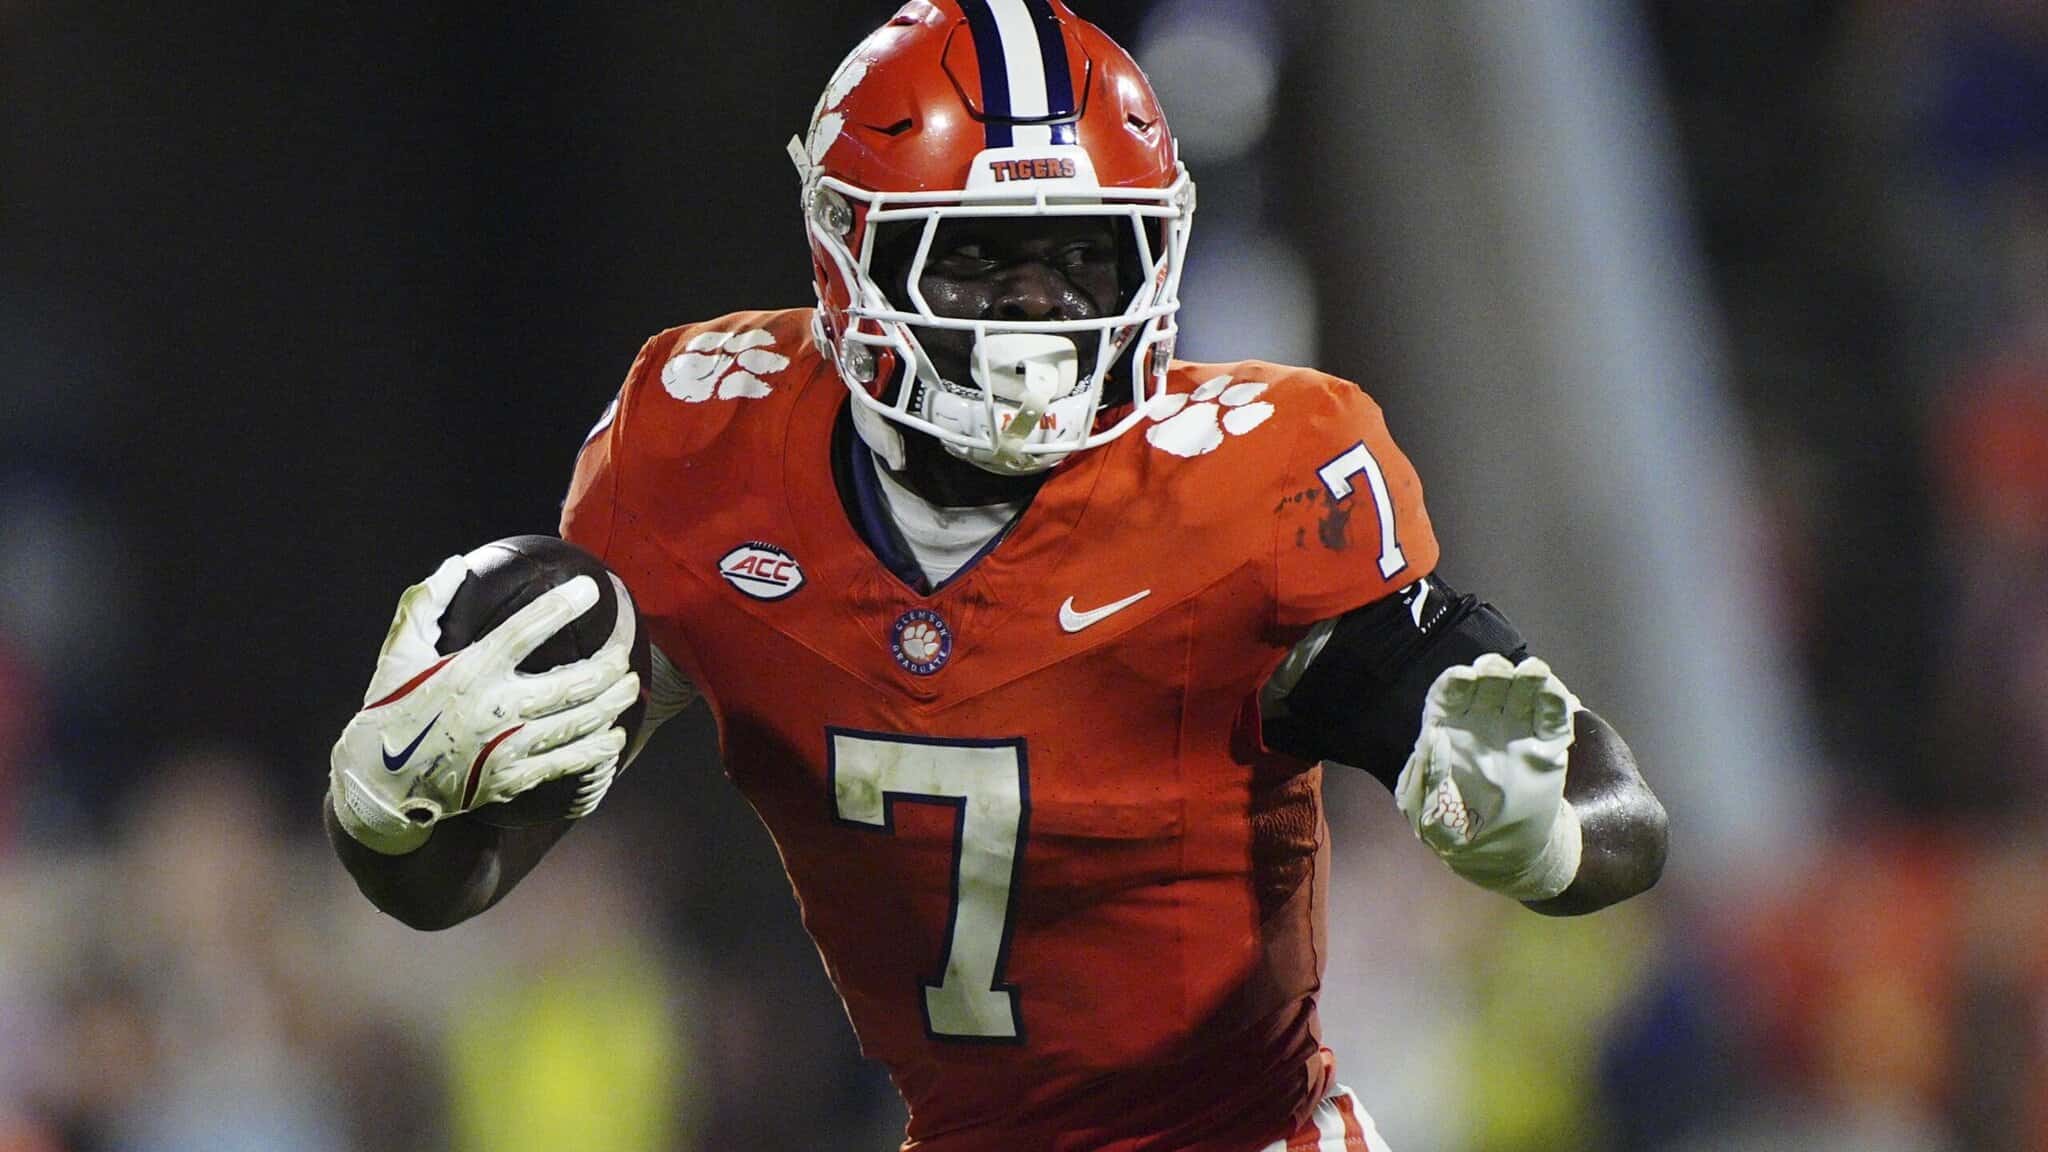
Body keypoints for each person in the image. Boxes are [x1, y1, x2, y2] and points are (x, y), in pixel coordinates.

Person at [323, 3, 1669, 1149]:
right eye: (977, 256)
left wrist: (1542, 834)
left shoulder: (1254, 478)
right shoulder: (703, 450)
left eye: (1085, 255)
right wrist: (387, 812)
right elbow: (456, 878)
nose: (1040, 306)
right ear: (849, 255)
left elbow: (1612, 807)